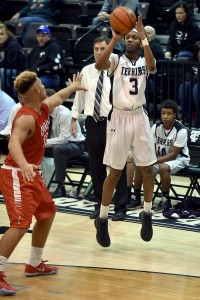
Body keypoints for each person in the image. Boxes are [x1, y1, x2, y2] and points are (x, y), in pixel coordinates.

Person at [0, 70, 85, 295]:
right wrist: (25, 164)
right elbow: (13, 144)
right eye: (40, 83)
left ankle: (35, 263)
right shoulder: (26, 116)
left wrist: (73, 88)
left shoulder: (42, 108)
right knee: (19, 224)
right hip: (17, 173)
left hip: (30, 173)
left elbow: (57, 98)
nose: (42, 84)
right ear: (37, 89)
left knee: (47, 213)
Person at [93, 15, 157, 247]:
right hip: (119, 118)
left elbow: (152, 67)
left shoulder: (143, 60)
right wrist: (114, 38)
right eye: (127, 38)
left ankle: (147, 214)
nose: (130, 40)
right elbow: (99, 64)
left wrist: (144, 38)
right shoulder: (115, 60)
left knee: (147, 169)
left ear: (139, 41)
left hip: (139, 117)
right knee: (115, 173)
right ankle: (102, 218)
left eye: (133, 38)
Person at [71, 36, 128, 222]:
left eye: (102, 48)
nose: (98, 52)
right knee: (96, 167)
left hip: (113, 121)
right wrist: (74, 117)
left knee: (116, 166)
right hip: (92, 121)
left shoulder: (118, 70)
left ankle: (120, 207)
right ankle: (99, 205)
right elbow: (80, 95)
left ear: (110, 50)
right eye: (96, 49)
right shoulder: (87, 70)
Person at [128, 100, 190, 211]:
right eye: (163, 113)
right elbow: (149, 146)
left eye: (169, 114)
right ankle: (136, 197)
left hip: (179, 159)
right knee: (140, 164)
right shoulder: (156, 127)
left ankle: (166, 200)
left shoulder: (181, 130)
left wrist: (153, 161)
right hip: (158, 158)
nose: (165, 116)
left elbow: (173, 155)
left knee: (163, 167)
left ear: (174, 115)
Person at [44, 90, 86, 198]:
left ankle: (60, 186)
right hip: (54, 144)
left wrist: (41, 143)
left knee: (59, 149)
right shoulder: (41, 113)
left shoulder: (64, 113)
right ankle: (29, 182)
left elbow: (64, 139)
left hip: (76, 145)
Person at [26, 25, 64, 91]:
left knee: (32, 87)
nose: (41, 38)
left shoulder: (54, 47)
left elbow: (55, 66)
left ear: (49, 37)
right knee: (20, 85)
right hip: (35, 76)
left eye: (43, 36)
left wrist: (39, 69)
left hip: (50, 77)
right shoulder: (36, 48)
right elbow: (28, 61)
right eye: (39, 36)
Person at [0, 23, 26, 99]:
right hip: (6, 70)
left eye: (1, 34)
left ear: (7, 35)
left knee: (2, 71)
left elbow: (11, 64)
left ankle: (4, 94)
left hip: (17, 71)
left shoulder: (13, 45)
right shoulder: (1, 45)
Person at [178, 41, 200, 126]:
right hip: (195, 83)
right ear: (196, 52)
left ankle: (198, 120)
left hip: (198, 85)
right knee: (184, 86)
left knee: (196, 88)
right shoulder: (190, 60)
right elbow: (189, 76)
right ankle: (186, 118)